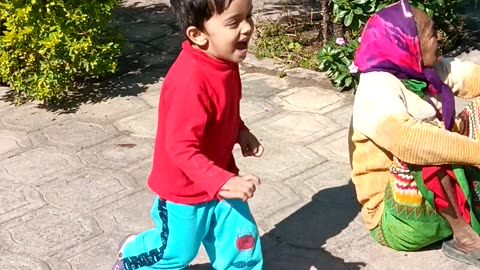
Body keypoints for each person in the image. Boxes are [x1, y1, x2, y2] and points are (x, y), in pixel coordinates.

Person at [112, 0, 264, 269]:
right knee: (175, 252)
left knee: (241, 242)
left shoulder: (225, 61)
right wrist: (220, 181)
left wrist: (241, 130)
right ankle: (132, 256)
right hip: (183, 191)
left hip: (220, 177)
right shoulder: (189, 81)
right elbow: (180, 148)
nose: (247, 28)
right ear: (198, 35)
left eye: (248, 17)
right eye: (234, 22)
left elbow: (224, 106)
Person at [349, 0, 480, 266]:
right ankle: (465, 237)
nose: (438, 38)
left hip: (430, 198)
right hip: (395, 219)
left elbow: (472, 77)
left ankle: (468, 208)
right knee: (425, 146)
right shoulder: (376, 87)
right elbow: (410, 141)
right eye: (431, 34)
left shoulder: (424, 70)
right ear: (407, 43)